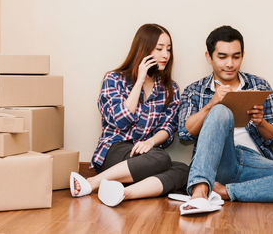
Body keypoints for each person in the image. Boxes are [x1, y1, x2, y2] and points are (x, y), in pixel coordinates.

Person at [178, 25, 273, 214]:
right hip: (219, 160)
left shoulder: (259, 85)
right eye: (222, 57)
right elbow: (184, 134)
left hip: (253, 162)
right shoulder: (195, 90)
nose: (230, 63)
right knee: (221, 111)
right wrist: (211, 105)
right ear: (208, 57)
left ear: (242, 56)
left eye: (236, 57)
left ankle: (225, 191)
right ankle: (199, 193)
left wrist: (261, 123)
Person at [70, 23, 189, 207]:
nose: (166, 55)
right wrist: (140, 80)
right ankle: (93, 183)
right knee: (161, 159)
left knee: (184, 170)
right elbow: (120, 119)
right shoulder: (114, 79)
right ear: (143, 49)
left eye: (168, 49)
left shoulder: (170, 88)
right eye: (159, 49)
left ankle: (123, 193)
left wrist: (150, 142)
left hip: (145, 155)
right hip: (115, 150)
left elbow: (168, 128)